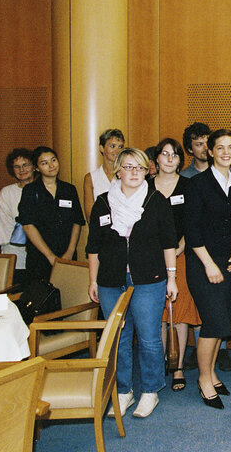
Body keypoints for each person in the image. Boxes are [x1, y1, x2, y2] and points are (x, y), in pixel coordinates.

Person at [87, 147, 178, 419]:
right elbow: (93, 246)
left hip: (148, 279)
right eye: (128, 167)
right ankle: (124, 390)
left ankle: (150, 391)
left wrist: (172, 278)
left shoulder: (156, 200)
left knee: (149, 337)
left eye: (139, 167)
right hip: (110, 280)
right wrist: (92, 280)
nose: (134, 173)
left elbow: (169, 243)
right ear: (118, 171)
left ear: (147, 170)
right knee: (118, 338)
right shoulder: (103, 202)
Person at [184, 129, 231, 409]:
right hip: (203, 264)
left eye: (230, 147)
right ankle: (203, 380)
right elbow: (192, 230)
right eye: (219, 147)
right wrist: (208, 265)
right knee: (212, 323)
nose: (225, 152)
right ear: (209, 151)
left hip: (229, 261)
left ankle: (212, 373)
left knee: (221, 324)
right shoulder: (197, 184)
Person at [149, 138, 201, 391]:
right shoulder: (145, 186)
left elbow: (194, 221)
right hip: (151, 258)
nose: (169, 159)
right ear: (156, 158)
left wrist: (181, 245)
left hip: (180, 256)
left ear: (181, 160)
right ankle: (160, 364)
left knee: (179, 314)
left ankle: (178, 366)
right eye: (164, 154)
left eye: (175, 155)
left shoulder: (189, 186)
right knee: (157, 314)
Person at [18, 147, 84, 282]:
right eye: (44, 163)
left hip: (67, 254)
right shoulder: (30, 191)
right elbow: (28, 226)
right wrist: (49, 256)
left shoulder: (69, 189)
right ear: (36, 168)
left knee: (69, 296)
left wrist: (70, 252)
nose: (51, 165)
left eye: (53, 160)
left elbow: (77, 221)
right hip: (40, 256)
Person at [0, 148, 35, 289]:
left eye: (26, 165)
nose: (22, 169)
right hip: (16, 251)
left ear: (34, 166)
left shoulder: (43, 188)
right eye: (17, 166)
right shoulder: (7, 192)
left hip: (41, 251)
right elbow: (3, 224)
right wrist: (9, 253)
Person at [83, 128, 125, 221]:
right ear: (101, 148)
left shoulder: (127, 175)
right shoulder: (90, 178)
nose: (117, 151)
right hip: (100, 231)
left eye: (120, 147)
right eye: (112, 146)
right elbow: (90, 216)